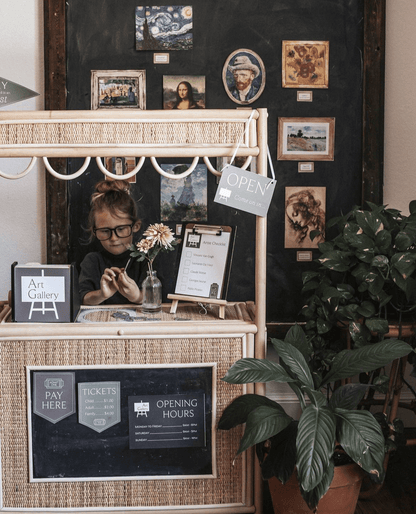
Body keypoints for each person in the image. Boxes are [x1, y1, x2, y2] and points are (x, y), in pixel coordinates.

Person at [78, 180, 144, 305]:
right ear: (94, 231)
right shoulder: (92, 261)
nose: (113, 238)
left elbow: (158, 296)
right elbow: (83, 297)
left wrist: (138, 297)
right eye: (105, 231)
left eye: (121, 229)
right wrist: (102, 294)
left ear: (135, 226)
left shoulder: (146, 259)